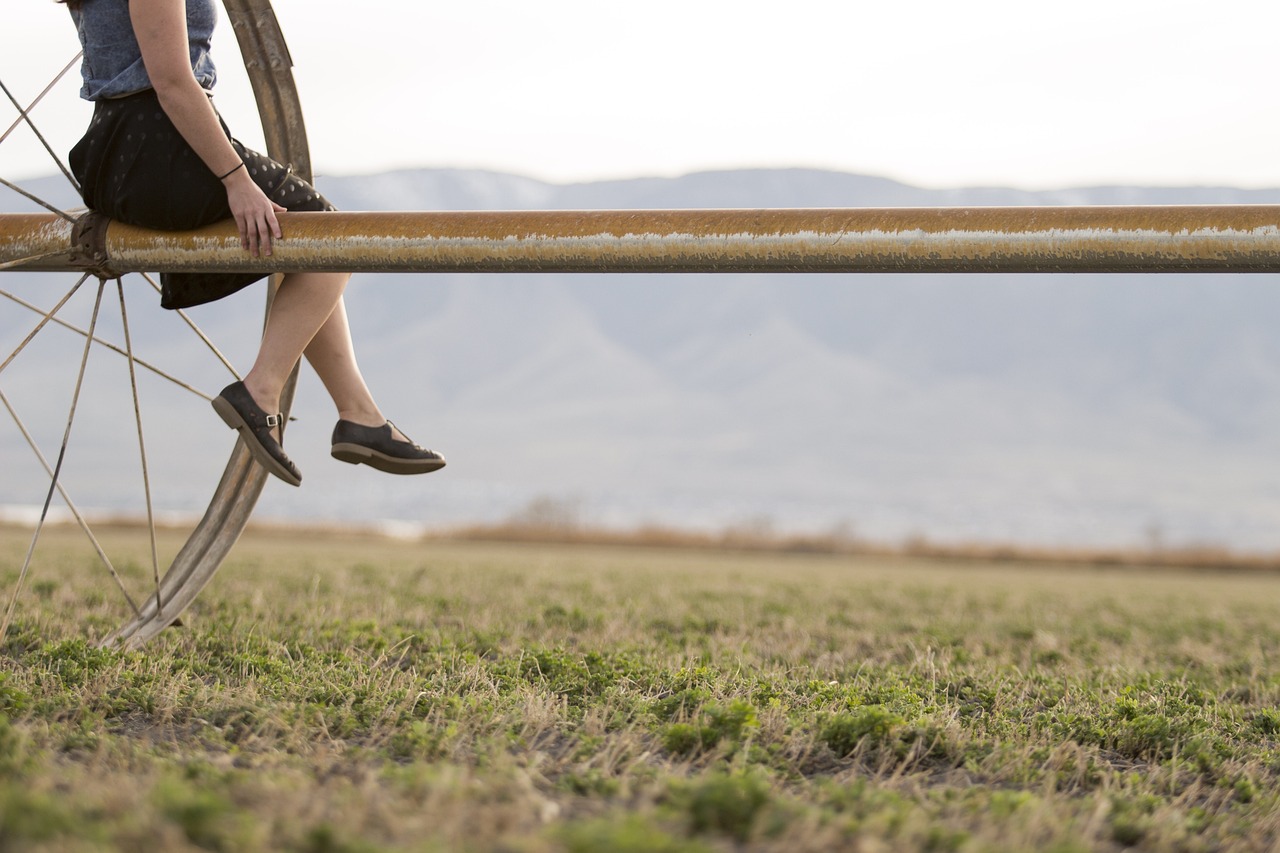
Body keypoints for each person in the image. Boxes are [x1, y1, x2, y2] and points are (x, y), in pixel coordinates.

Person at [61, 0, 444, 486]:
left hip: (116, 152)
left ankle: (360, 416)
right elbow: (173, 84)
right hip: (158, 145)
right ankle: (261, 391)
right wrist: (237, 180)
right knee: (327, 235)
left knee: (306, 242)